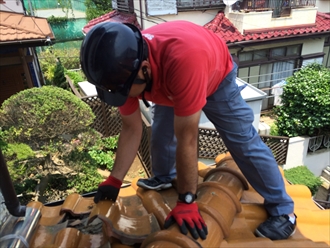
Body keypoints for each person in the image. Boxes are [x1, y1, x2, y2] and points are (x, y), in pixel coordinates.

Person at [80, 20, 296, 241]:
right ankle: (165, 176)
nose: (124, 97)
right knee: (162, 133)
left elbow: (188, 139)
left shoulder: (182, 63)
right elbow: (131, 128)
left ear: (144, 69)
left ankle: (283, 210)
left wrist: (187, 200)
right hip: (169, 73)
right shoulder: (122, 71)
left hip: (213, 73)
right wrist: (114, 180)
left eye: (125, 91)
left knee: (242, 141)